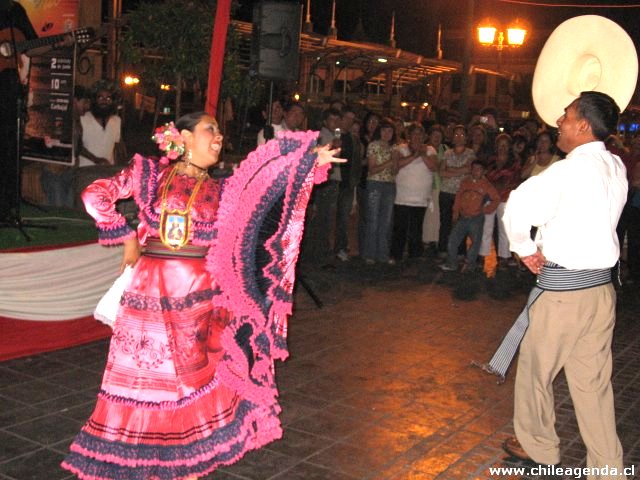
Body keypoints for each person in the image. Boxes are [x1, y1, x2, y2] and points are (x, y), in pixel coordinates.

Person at [61, 111, 342, 480]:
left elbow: (266, 184)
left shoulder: (224, 189)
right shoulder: (150, 175)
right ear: (185, 137)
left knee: (188, 379)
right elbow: (94, 194)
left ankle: (179, 457)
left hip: (199, 298)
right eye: (211, 129)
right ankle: (134, 455)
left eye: (221, 132)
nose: (220, 137)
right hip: (152, 292)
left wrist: (306, 161)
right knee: (148, 378)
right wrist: (126, 235)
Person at [501, 92, 628, 477]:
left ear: (583, 125)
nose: (559, 120)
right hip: (600, 293)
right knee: (592, 385)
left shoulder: (569, 170)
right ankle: (606, 467)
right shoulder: (615, 165)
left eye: (567, 115)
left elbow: (518, 205)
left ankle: (540, 448)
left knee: (535, 375)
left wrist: (524, 248)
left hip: (563, 294)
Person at [0, 0, 37, 220]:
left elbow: (31, 42)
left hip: (5, 84)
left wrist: (62, 41)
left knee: (6, 142)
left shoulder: (13, 9)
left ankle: (6, 204)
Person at [440, 160, 499, 272]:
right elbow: (458, 197)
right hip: (463, 217)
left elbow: (496, 199)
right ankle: (452, 263)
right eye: (473, 168)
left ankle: (470, 264)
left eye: (478, 169)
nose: (475, 171)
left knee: (476, 242)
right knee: (452, 240)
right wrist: (455, 212)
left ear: (483, 171)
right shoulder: (465, 182)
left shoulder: (486, 186)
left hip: (476, 218)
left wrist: (486, 209)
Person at [390, 124, 437, 263]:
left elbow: (433, 166)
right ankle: (396, 254)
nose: (417, 137)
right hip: (402, 196)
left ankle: (415, 254)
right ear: (409, 136)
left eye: (420, 134)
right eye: (414, 134)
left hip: (421, 197)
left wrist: (422, 154)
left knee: (416, 228)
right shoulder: (401, 148)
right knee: (400, 227)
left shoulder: (430, 149)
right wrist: (414, 155)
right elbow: (396, 165)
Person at [40, 85, 90, 207]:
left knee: (67, 210)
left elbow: (77, 148)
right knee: (58, 209)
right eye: (84, 102)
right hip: (55, 173)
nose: (87, 106)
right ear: (75, 100)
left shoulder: (77, 122)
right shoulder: (60, 118)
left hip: (69, 172)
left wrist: (95, 159)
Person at [362, 119, 397, 265]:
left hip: (389, 185)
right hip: (375, 184)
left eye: (390, 131)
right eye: (384, 130)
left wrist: (395, 163)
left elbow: (395, 170)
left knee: (386, 221)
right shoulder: (373, 145)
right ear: (379, 131)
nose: (387, 133)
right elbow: (372, 168)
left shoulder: (393, 148)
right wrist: (390, 162)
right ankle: (369, 254)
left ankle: (383, 254)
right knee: (373, 220)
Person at [78, 81, 122, 167]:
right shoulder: (82, 119)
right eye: (100, 98)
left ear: (113, 101)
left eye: (108, 98)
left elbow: (116, 146)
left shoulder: (117, 121)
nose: (104, 101)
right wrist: (95, 159)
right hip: (84, 171)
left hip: (106, 173)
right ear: (94, 100)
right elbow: (77, 147)